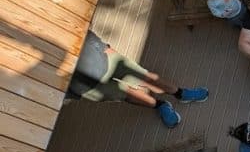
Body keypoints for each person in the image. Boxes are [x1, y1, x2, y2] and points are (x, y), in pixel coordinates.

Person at [67, 30, 208, 128]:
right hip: (83, 86)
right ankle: (160, 105)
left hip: (104, 57)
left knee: (146, 78)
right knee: (128, 95)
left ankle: (180, 93)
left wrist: (104, 48)